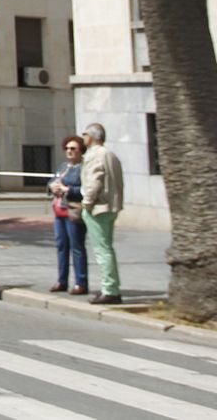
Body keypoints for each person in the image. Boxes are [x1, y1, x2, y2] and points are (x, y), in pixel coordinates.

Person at [79, 122, 124, 305]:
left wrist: (86, 203)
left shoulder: (95, 155)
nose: (83, 138)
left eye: (85, 134)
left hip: (99, 208)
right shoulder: (110, 155)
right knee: (106, 248)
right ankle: (111, 287)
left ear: (91, 136)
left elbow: (94, 181)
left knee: (102, 249)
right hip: (110, 206)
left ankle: (110, 289)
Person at [48, 134, 89, 295]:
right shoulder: (63, 167)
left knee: (77, 247)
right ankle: (61, 280)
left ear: (80, 150)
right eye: (67, 148)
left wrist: (68, 190)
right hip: (59, 211)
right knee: (61, 246)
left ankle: (81, 282)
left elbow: (87, 189)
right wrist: (52, 186)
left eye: (73, 148)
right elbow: (51, 181)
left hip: (74, 211)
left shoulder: (83, 168)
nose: (69, 151)